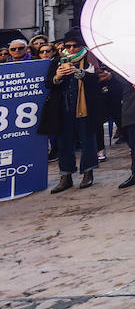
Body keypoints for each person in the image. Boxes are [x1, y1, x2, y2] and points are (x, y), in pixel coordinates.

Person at [40, 30, 102, 193]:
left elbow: (97, 79)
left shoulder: (89, 57)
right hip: (63, 106)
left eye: (75, 46)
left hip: (84, 106)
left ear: (81, 46)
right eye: (68, 46)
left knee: (87, 139)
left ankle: (88, 173)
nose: (72, 49)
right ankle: (65, 176)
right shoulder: (58, 60)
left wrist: (79, 73)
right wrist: (58, 76)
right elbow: (48, 83)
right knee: (64, 142)